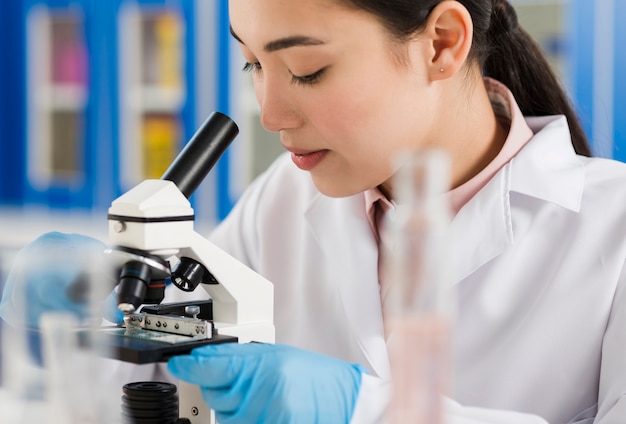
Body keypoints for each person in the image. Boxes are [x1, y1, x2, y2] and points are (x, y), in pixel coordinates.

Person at [1, 0, 626, 422]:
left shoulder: (611, 229)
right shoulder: (283, 197)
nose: (270, 115)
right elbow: (161, 385)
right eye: (253, 64)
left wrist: (357, 408)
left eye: (308, 70)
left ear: (442, 43)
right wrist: (64, 318)